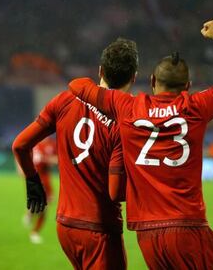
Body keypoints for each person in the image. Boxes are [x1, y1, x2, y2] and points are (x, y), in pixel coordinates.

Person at [69, 19, 213, 269]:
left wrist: (108, 88)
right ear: (187, 86)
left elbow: (77, 85)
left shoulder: (127, 106)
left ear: (152, 80)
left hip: (147, 235)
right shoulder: (196, 107)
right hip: (187, 228)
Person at [12, 38, 139, 269]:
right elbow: (115, 191)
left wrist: (33, 181)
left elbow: (20, 145)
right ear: (134, 77)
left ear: (100, 70)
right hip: (99, 228)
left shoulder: (65, 100)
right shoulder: (126, 120)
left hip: (66, 226)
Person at [22, 137, 57, 244]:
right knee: (44, 207)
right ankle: (35, 233)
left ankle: (30, 214)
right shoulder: (34, 143)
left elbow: (57, 159)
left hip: (46, 179)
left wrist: (46, 159)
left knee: (47, 202)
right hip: (36, 179)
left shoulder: (52, 144)